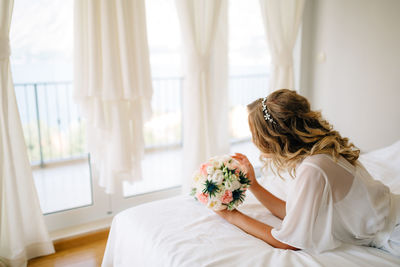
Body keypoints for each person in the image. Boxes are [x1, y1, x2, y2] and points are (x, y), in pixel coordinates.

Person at [215, 89, 400, 255]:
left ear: (272, 138)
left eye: (256, 134)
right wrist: (254, 185)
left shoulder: (314, 168)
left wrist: (231, 215)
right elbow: (295, 214)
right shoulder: (319, 154)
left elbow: (288, 242)